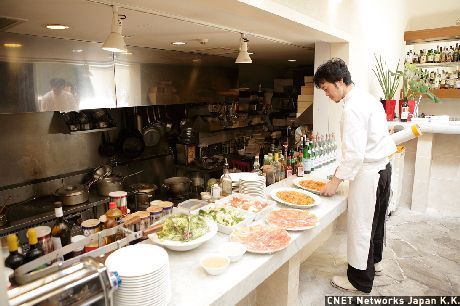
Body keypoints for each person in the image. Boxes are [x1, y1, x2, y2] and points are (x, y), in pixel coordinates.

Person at [313, 58, 396, 294]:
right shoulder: (368, 98)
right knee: (376, 221)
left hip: (369, 173)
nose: (327, 95)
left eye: (327, 89)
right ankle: (374, 263)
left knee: (361, 225)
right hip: (383, 168)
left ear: (339, 82)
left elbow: (354, 155)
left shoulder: (352, 107)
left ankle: (359, 280)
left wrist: (334, 181)